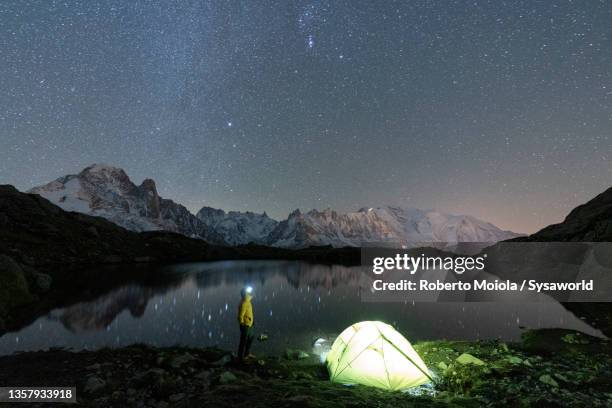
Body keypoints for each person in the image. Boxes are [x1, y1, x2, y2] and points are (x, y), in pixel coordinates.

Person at [237, 286, 255, 361]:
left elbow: (249, 313)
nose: (252, 294)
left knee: (251, 337)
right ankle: (241, 358)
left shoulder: (248, 301)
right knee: (243, 341)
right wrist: (242, 324)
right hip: (245, 325)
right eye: (249, 293)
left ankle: (247, 353)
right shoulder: (244, 303)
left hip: (250, 323)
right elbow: (240, 315)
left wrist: (252, 320)